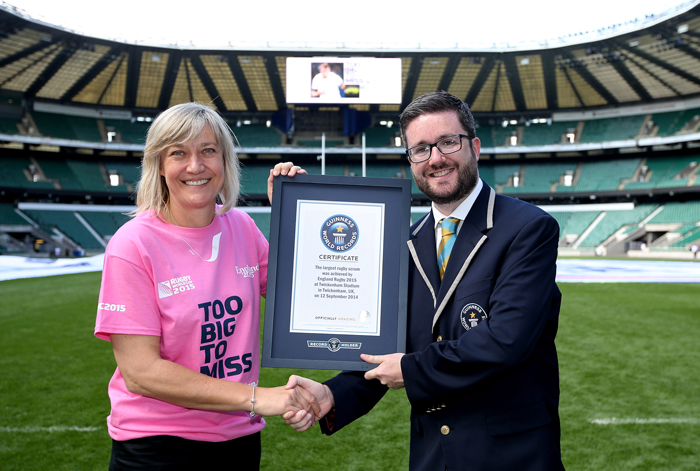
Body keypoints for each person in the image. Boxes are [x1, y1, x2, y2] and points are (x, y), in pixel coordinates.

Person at [286, 91, 565, 470]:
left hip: (511, 455)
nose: (435, 158)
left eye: (448, 142)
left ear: (474, 147)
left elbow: (506, 340)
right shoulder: (406, 242)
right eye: (420, 149)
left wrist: (411, 370)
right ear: (411, 161)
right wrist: (333, 394)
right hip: (433, 454)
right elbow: (389, 345)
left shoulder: (528, 228)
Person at [94, 102, 316, 470]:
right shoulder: (132, 244)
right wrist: (256, 397)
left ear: (224, 161)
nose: (195, 166)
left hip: (238, 440)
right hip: (157, 446)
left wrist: (295, 214)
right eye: (178, 153)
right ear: (158, 164)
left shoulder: (242, 227)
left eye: (208, 150)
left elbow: (299, 297)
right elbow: (141, 372)